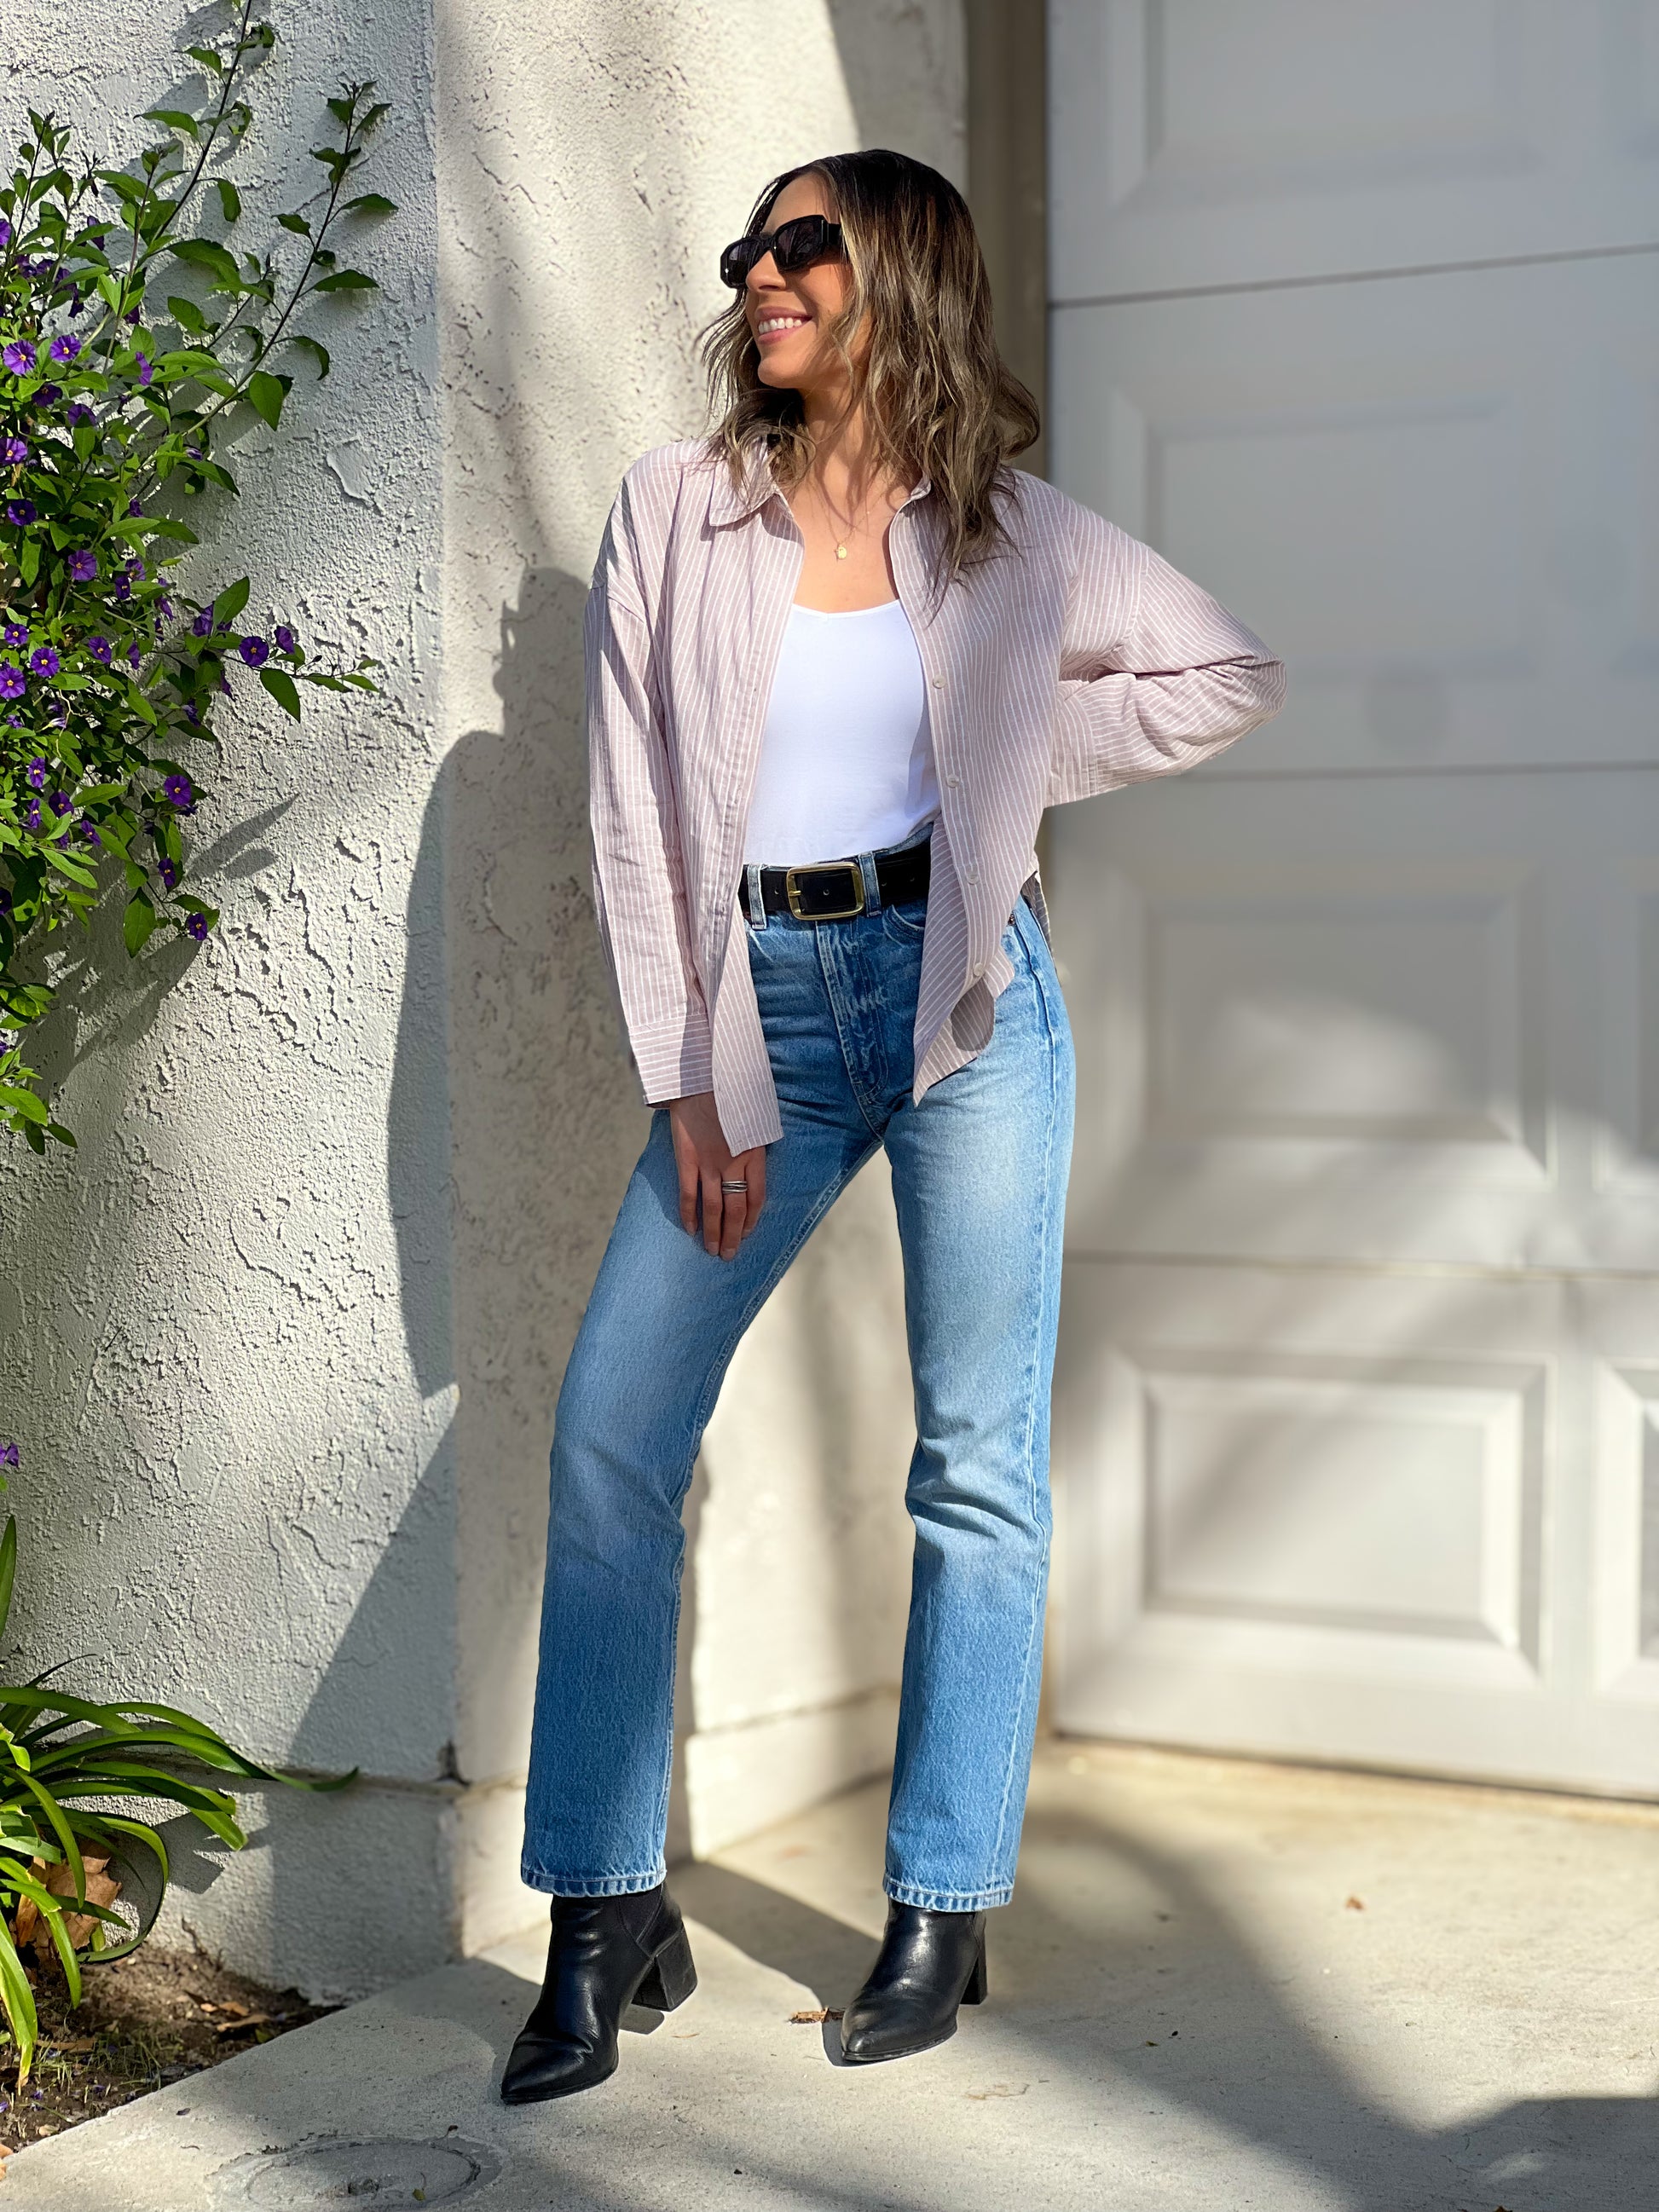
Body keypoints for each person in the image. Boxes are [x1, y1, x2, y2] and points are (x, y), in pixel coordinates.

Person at [501, 148, 1285, 2104]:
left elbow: (1224, 671)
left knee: (976, 1463)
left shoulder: (1012, 539)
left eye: (801, 244)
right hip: (755, 1016)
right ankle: (602, 1908)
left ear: (896, 275)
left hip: (964, 1008)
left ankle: (941, 1896)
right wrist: (684, 1076)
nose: (756, 274)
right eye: (748, 251)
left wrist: (1006, 761)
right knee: (611, 1437)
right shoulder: (676, 514)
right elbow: (629, 818)